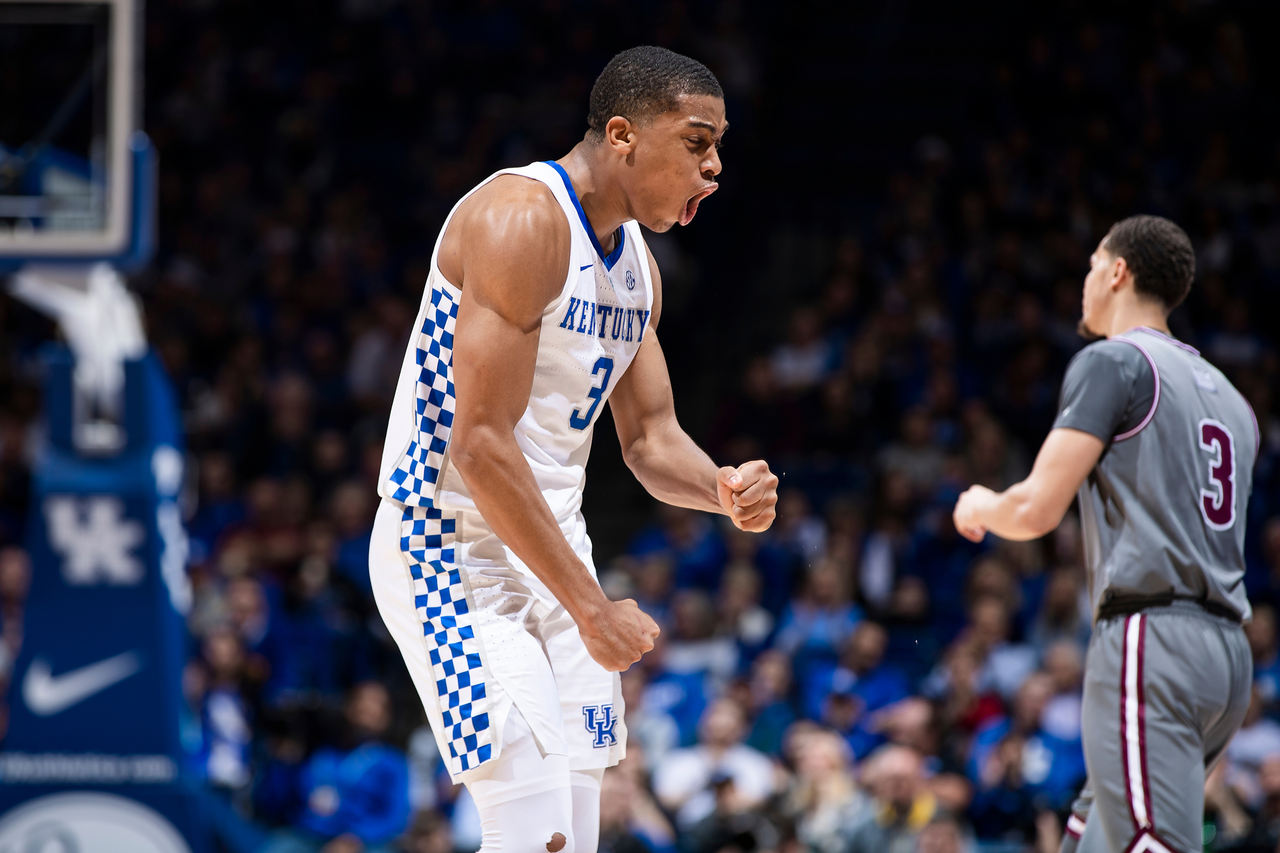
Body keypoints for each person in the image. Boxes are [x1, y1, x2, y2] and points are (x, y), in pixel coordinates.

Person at [368, 46, 779, 853]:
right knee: (532, 831)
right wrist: (592, 607)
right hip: (448, 542)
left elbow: (651, 439)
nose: (714, 167)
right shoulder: (522, 219)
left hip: (556, 549)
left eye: (719, 146)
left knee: (574, 837)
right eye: (696, 142)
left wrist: (721, 488)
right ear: (622, 135)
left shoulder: (640, 272)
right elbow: (479, 445)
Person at [952, 215, 1257, 853]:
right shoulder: (1234, 400)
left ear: (1117, 271)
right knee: (1092, 837)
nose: (1084, 282)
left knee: (1152, 843)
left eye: (1092, 265)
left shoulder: (1115, 361)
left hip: (1153, 638)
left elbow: (1036, 509)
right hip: (1227, 657)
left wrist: (982, 503)